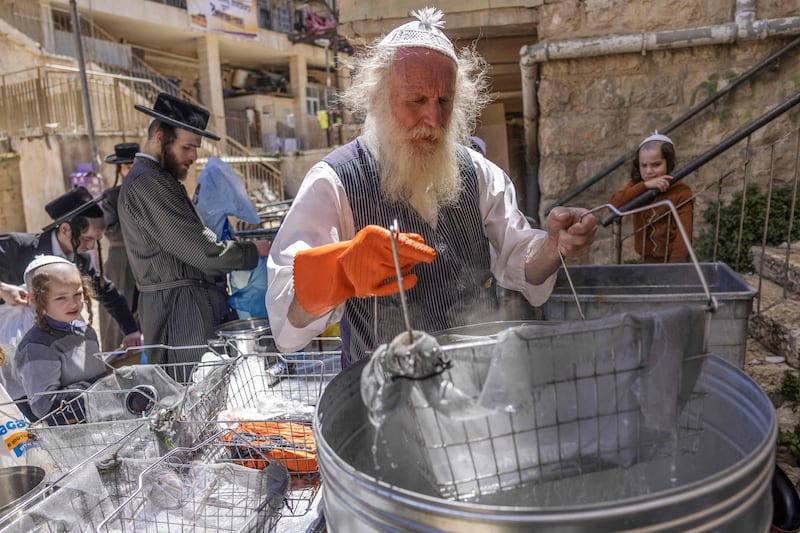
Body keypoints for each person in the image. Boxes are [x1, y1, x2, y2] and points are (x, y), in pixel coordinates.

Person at [265, 7, 598, 364]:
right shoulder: (334, 182)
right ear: (377, 99)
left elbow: (520, 260)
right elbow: (287, 326)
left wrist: (553, 246)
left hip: (477, 392)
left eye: (444, 101)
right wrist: (341, 271)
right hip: (382, 403)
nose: (434, 119)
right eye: (417, 100)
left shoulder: (479, 173)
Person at [118, 93, 271, 374]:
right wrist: (253, 251)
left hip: (187, 307)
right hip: (179, 316)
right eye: (187, 147)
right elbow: (201, 251)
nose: (193, 156)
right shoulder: (148, 183)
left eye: (195, 148)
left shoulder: (159, 179)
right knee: (195, 395)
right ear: (160, 138)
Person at [0, 187, 142, 352]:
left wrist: (131, 331)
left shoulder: (81, 261)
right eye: (87, 239)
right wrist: (3, 289)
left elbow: (108, 293)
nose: (90, 247)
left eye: (96, 240)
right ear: (65, 229)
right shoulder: (17, 246)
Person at [15, 255, 106, 424]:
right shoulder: (37, 347)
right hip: (74, 438)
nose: (73, 303)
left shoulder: (86, 332)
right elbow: (45, 405)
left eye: (77, 294)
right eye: (61, 297)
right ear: (36, 300)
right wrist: (102, 389)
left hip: (103, 424)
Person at [609, 132, 693, 263]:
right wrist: (645, 186)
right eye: (644, 165)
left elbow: (683, 237)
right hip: (646, 260)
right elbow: (613, 206)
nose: (649, 171)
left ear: (669, 163)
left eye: (656, 165)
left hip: (672, 260)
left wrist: (675, 268)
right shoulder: (637, 186)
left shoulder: (681, 191)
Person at [99, 142, 140, 352]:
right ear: (120, 170)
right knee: (118, 318)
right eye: (126, 166)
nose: (130, 170)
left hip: (147, 261)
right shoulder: (111, 196)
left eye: (134, 165)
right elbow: (111, 230)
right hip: (121, 262)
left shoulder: (152, 192)